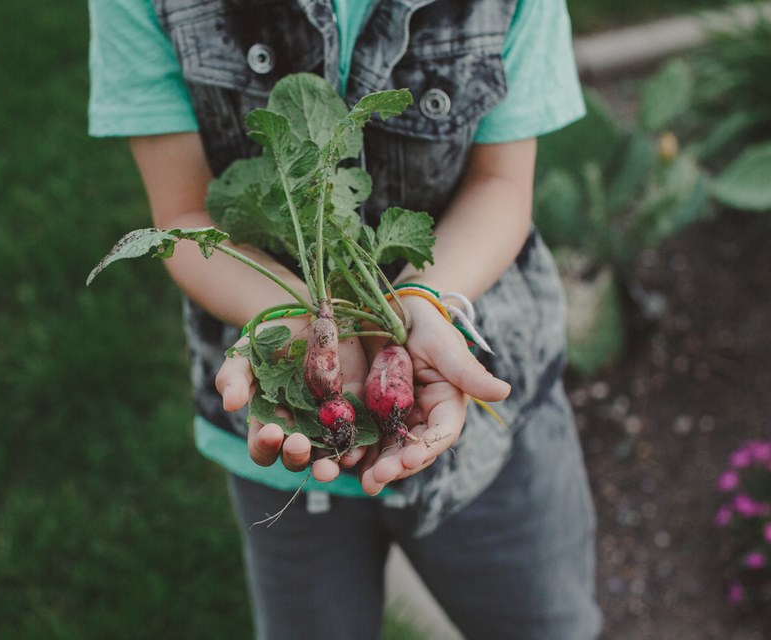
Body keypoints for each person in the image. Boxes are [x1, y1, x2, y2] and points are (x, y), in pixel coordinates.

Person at [88, 0, 602, 637]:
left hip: (489, 422)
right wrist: (305, 317)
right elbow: (187, 213)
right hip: (284, 422)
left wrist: (422, 302)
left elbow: (502, 185)